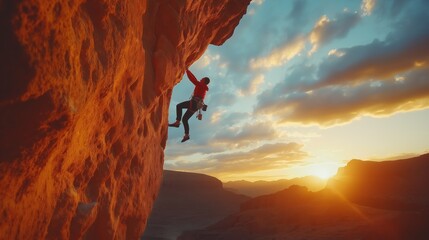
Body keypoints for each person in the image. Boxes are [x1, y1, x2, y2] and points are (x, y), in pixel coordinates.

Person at [168, 68, 210, 142]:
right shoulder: (203, 87)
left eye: (202, 79)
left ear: (204, 81)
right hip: (196, 106)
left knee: (179, 106)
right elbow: (195, 80)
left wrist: (187, 70)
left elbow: (193, 79)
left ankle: (177, 122)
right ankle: (186, 135)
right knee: (184, 119)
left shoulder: (201, 85)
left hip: (194, 103)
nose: (201, 79)